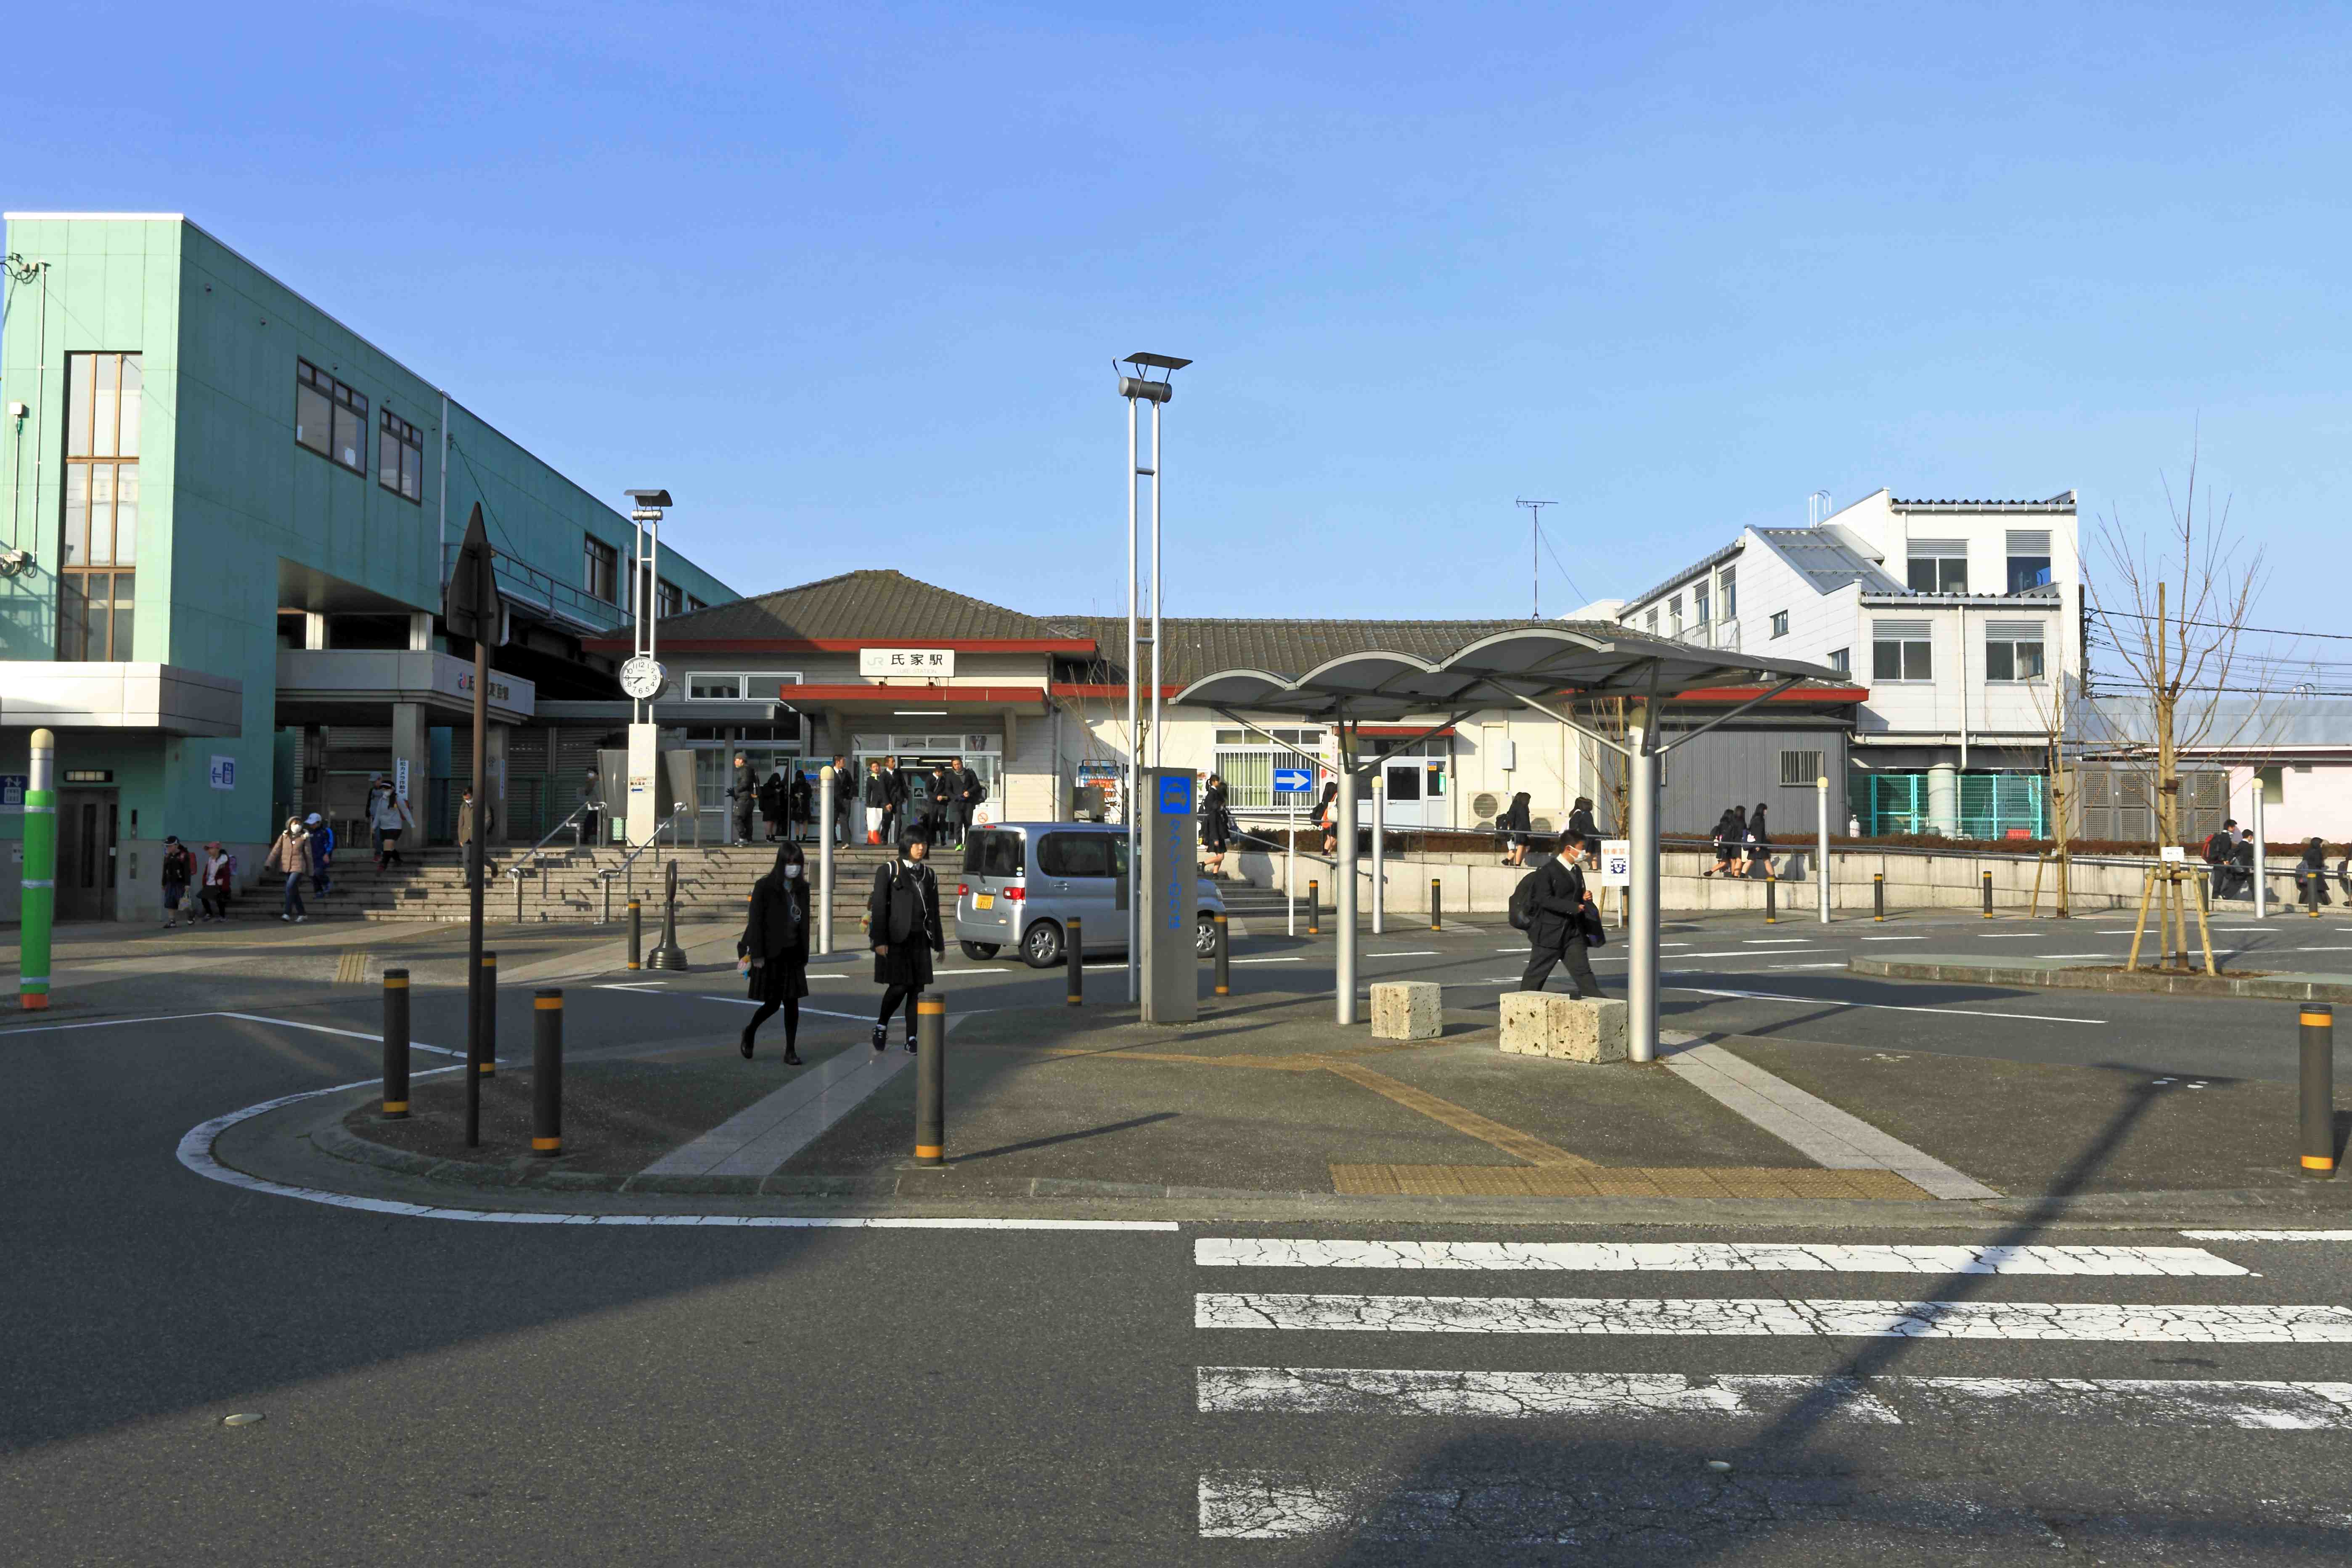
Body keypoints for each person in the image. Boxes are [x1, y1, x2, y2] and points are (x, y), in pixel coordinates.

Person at [868, 829, 945, 1053]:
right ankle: (882, 1025)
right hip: (896, 940)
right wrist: (879, 941)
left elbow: (935, 911)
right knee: (899, 987)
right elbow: (880, 909)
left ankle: (912, 1037)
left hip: (920, 939)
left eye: (924, 844)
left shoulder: (929, 875)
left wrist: (939, 944)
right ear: (906, 846)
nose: (921, 848)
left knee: (917, 990)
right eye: (916, 844)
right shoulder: (889, 870)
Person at [738, 842, 812, 1065]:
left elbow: (805, 923)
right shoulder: (765, 886)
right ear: (781, 863)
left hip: (794, 953)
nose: (794, 867)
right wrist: (758, 954)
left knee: (792, 1003)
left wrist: (804, 953)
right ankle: (750, 1031)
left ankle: (791, 1050)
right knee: (771, 1004)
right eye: (790, 863)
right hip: (771, 954)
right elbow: (756, 922)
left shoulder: (803, 889)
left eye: (797, 863)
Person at [1515, 833, 1605, 999]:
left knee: (1584, 974)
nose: (1584, 852)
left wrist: (1583, 898)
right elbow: (1543, 899)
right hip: (1549, 933)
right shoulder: (1548, 871)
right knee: (1536, 976)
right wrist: (1573, 906)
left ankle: (1601, 1006)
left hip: (1573, 933)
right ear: (1568, 849)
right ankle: (1520, 1008)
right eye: (1581, 848)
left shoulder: (1577, 870)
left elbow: (1573, 895)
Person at [264, 816, 312, 922]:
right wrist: (269, 863)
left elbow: (308, 854)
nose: (297, 826)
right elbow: (276, 850)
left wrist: (311, 870)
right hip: (286, 867)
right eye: (295, 824)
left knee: (289, 887)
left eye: (299, 824)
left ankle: (287, 913)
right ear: (290, 825)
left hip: (299, 867)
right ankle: (302, 914)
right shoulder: (284, 837)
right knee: (294, 891)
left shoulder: (304, 838)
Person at [367, 778, 415, 870]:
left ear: (393, 789)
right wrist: (374, 826)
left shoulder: (398, 799)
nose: (385, 791)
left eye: (387, 789)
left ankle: (383, 865)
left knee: (387, 845)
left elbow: (406, 811)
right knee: (390, 847)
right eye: (383, 789)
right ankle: (398, 860)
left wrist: (412, 823)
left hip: (395, 827)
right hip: (384, 828)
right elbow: (378, 814)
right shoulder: (382, 800)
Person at [456, 787, 496, 887]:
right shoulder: (463, 806)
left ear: (472, 795)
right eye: (465, 798)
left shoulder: (482, 803)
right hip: (466, 837)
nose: (467, 800)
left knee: (480, 857)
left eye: (468, 798)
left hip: (478, 836)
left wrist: (482, 830)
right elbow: (461, 822)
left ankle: (493, 865)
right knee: (467, 859)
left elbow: (488, 818)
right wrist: (460, 838)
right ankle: (470, 880)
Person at [159, 834, 196, 929]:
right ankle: (172, 922)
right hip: (170, 883)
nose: (168, 848)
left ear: (176, 845)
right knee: (169, 902)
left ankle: (191, 915)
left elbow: (187, 871)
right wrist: (164, 883)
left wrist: (188, 884)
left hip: (181, 883)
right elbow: (165, 870)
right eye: (167, 846)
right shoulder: (167, 856)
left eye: (170, 846)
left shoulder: (184, 856)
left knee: (184, 904)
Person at [1200, 772, 1232, 877]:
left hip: (1219, 833)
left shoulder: (1218, 810)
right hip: (1216, 835)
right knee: (1221, 856)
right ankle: (1202, 864)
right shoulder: (1213, 801)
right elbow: (1213, 822)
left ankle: (1215, 874)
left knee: (1220, 855)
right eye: (1217, 781)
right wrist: (1215, 838)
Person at [197, 841, 234, 922]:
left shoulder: (224, 859)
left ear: (217, 849)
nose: (209, 851)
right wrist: (205, 881)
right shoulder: (210, 859)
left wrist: (223, 885)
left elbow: (225, 873)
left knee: (220, 900)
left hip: (218, 884)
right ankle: (209, 913)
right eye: (208, 849)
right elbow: (208, 872)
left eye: (211, 849)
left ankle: (223, 917)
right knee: (203, 897)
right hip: (209, 883)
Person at [2204, 817, 2239, 901]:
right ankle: (2224, 895)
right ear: (2230, 828)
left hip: (2216, 862)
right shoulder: (2226, 838)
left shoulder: (2219, 837)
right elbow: (2224, 851)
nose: (2235, 829)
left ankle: (2215, 898)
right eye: (2234, 827)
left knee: (2218, 881)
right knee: (2235, 879)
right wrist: (2225, 860)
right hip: (2223, 863)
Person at [303, 812, 336, 898]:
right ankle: (319, 892)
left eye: (313, 824)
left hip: (323, 857)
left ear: (319, 823)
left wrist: (327, 854)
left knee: (318, 872)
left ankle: (327, 883)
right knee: (312, 874)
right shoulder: (310, 833)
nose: (311, 826)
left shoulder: (326, 831)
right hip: (313, 858)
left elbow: (331, 843)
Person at [728, 753, 757, 846]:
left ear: (741, 760)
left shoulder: (744, 770)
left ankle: (743, 839)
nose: (735, 762)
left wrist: (735, 791)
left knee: (737, 818)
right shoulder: (750, 770)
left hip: (744, 799)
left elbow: (745, 783)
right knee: (747, 820)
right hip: (749, 798)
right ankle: (749, 839)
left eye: (736, 760)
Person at [2295, 837, 2333, 907]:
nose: (2322, 845)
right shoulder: (2318, 852)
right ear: (2317, 844)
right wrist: (2322, 864)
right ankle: (2327, 907)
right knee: (2321, 891)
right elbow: (2319, 863)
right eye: (2321, 843)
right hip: (2315, 874)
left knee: (2305, 891)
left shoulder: (2307, 851)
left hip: (2306, 874)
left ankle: (2299, 906)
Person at [1499, 790, 1532, 867]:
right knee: (1521, 847)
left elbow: (1511, 818)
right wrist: (1529, 831)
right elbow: (1525, 821)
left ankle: (1508, 860)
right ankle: (1517, 864)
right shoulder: (1523, 808)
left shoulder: (1514, 806)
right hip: (1521, 831)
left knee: (1524, 847)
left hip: (1516, 831)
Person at [862, 758, 890, 844]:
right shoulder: (870, 779)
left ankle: (884, 838)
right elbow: (868, 792)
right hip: (875, 803)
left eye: (877, 766)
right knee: (874, 821)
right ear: (871, 769)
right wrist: (868, 804)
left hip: (885, 802)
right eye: (874, 767)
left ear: (880, 767)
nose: (876, 768)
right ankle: (874, 839)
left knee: (886, 821)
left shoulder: (884, 777)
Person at [1706, 808, 1740, 878]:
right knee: (1733, 860)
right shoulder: (1731, 825)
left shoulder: (1721, 825)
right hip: (1729, 846)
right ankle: (1734, 876)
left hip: (1722, 847)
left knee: (1724, 862)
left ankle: (1710, 872)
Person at [1566, 796, 1600, 866]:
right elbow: (1591, 827)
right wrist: (1600, 835)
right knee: (1591, 854)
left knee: (1593, 855)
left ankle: (1594, 868)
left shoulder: (1577, 814)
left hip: (1580, 837)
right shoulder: (1584, 814)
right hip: (1587, 837)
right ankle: (1593, 869)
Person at [576, 765, 603, 850]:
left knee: (591, 823)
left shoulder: (598, 782)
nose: (589, 775)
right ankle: (592, 840)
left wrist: (591, 783)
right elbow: (587, 792)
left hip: (599, 806)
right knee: (594, 823)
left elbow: (588, 791)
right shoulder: (593, 782)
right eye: (588, 774)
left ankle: (590, 839)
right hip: (595, 806)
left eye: (591, 773)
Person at [1744, 802, 1772, 879]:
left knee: (1751, 860)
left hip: (1754, 843)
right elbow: (1759, 833)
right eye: (1765, 810)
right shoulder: (1760, 820)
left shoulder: (1754, 819)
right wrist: (1758, 845)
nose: (1766, 812)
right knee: (1766, 860)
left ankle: (1742, 875)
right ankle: (1772, 877)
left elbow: (1753, 831)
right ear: (1762, 810)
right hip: (1760, 844)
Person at [758, 768, 786, 842]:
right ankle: (768, 837)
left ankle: (773, 837)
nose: (777, 782)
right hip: (769, 808)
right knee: (770, 823)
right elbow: (766, 795)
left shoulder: (778, 786)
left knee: (774, 823)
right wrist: (775, 792)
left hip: (776, 808)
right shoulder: (767, 787)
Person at [788, 767, 813, 843]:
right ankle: (804, 838)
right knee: (805, 822)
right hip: (805, 805)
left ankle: (797, 838)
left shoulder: (793, 785)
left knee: (797, 822)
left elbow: (791, 795)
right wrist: (803, 795)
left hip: (796, 806)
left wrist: (796, 795)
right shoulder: (807, 785)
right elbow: (810, 796)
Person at [1316, 780, 1340, 857]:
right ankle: (1326, 852)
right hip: (1333, 820)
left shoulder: (1326, 798)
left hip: (1326, 820)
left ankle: (1328, 851)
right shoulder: (1336, 796)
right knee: (1333, 837)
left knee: (1330, 837)